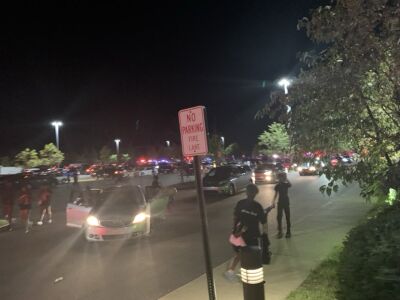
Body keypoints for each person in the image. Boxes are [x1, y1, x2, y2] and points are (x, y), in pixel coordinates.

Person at [224, 184, 271, 282]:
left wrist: (265, 235)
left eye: (252, 192)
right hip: (244, 235)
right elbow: (263, 222)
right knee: (244, 255)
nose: (251, 194)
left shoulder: (252, 205)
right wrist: (235, 231)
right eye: (250, 192)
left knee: (242, 255)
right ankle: (239, 273)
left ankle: (235, 272)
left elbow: (263, 221)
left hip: (249, 235)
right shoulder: (249, 205)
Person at [273, 172, 292, 238]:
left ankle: (288, 232)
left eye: (281, 177)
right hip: (280, 202)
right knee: (279, 218)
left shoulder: (286, 184)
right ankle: (280, 232)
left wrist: (286, 179)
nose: (280, 179)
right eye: (279, 178)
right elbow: (275, 194)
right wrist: (273, 201)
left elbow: (290, 184)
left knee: (287, 217)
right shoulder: (277, 186)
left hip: (286, 202)